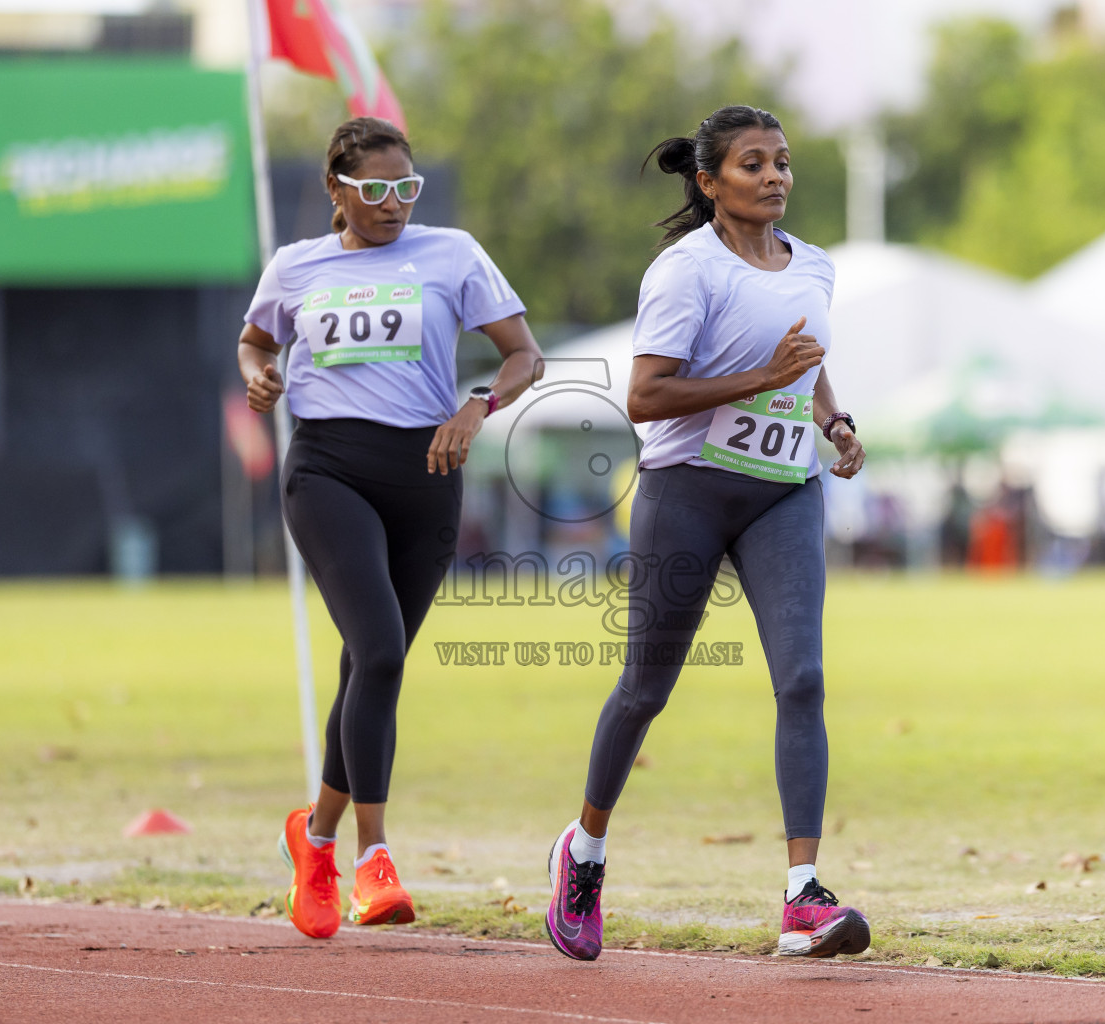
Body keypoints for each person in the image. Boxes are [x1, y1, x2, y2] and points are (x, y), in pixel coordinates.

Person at [544, 105, 868, 961]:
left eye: (783, 163)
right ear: (709, 181)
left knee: (802, 679)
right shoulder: (685, 273)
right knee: (645, 690)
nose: (775, 179)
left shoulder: (816, 267)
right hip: (687, 490)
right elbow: (644, 399)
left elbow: (807, 357)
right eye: (753, 165)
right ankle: (584, 853)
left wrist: (833, 421)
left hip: (782, 490)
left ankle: (803, 897)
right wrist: (761, 377)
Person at [239, 117, 543, 939]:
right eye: (373, 190)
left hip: (429, 474)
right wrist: (260, 376)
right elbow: (255, 340)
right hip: (328, 467)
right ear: (337, 190)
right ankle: (374, 857)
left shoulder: (453, 254)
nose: (393, 204)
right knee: (376, 650)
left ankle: (315, 836)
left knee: (370, 667)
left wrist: (476, 406)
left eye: (405, 188)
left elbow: (525, 357)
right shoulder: (297, 264)